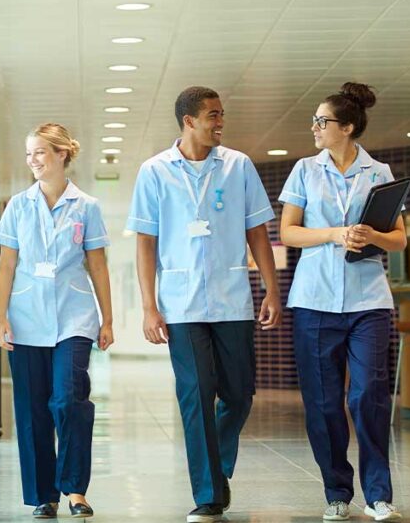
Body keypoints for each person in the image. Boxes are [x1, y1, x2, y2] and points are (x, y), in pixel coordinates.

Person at [126, 86, 281, 523]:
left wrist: (271, 288)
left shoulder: (239, 166)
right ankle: (209, 493)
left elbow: (257, 231)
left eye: (221, 115)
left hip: (233, 299)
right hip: (180, 304)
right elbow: (145, 241)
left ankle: (216, 467)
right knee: (195, 395)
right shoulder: (154, 171)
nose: (220, 122)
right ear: (188, 120)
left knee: (238, 395)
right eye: (212, 115)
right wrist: (148, 306)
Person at [278, 82, 405, 522]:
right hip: (314, 300)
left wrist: (372, 236)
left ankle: (378, 494)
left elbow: (400, 239)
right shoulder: (304, 171)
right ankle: (336, 491)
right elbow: (289, 232)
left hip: (369, 300)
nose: (314, 127)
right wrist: (334, 234)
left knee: (369, 394)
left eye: (322, 121)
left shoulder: (380, 172)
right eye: (314, 120)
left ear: (347, 127)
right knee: (325, 401)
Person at [0, 123, 114, 519]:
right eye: (29, 154)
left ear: (62, 154)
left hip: (74, 318)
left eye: (40, 153)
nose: (33, 161)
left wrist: (107, 319)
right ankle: (44, 495)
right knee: (31, 411)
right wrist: (0, 317)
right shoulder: (18, 206)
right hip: (26, 319)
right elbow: (7, 265)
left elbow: (97, 263)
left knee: (68, 399)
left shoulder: (87, 207)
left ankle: (75, 488)